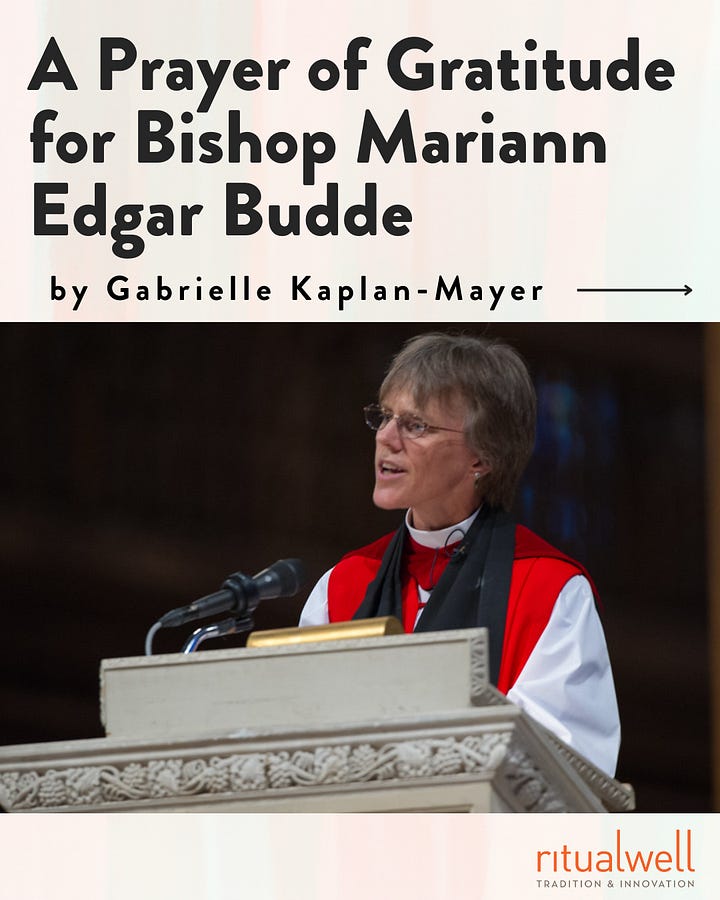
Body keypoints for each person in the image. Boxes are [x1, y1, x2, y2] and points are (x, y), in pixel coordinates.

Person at [299, 332, 620, 776]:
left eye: (416, 426)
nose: (387, 438)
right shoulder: (343, 585)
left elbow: (567, 765)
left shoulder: (548, 590)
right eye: (385, 417)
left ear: (482, 457)